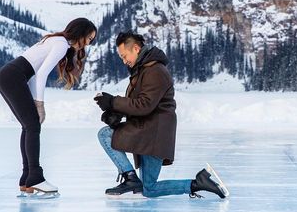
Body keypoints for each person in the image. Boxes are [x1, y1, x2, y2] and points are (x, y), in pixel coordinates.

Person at [95, 31, 229, 199]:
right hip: (148, 132)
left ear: (135, 48)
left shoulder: (155, 71)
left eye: (124, 56)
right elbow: (139, 102)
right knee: (149, 189)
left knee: (105, 134)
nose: (124, 61)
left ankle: (130, 178)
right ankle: (197, 183)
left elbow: (144, 105)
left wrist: (113, 101)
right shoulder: (143, 70)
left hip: (152, 133)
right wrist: (115, 112)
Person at [0, 17, 97, 195]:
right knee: (32, 125)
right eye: (89, 39)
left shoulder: (56, 41)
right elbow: (41, 74)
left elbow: (35, 75)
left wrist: (36, 103)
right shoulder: (61, 44)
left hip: (10, 75)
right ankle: (35, 177)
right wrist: (40, 105)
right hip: (13, 77)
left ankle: (27, 178)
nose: (87, 44)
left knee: (29, 126)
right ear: (80, 33)